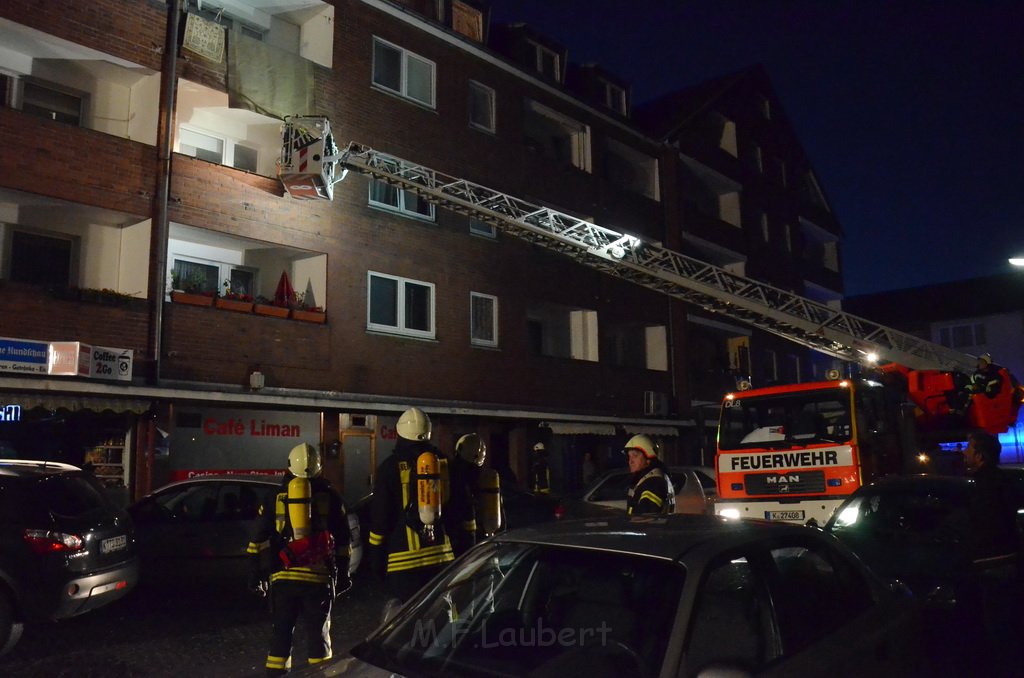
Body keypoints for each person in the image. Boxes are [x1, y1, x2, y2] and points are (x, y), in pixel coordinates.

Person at [246, 442, 351, 676]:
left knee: (281, 635)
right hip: (319, 578)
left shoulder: (274, 497)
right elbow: (344, 540)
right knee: (319, 637)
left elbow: (257, 539)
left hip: (283, 578)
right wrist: (343, 575)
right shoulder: (331, 497)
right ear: (318, 467)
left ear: (289, 466)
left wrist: (256, 576)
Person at [368, 407, 472, 600]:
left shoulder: (389, 468)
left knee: (408, 623)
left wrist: (376, 561)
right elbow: (463, 508)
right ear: (428, 432)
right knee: (442, 617)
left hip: (403, 563)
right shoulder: (446, 463)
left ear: (399, 432)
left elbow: (380, 520)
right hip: (442, 558)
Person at [960, 430, 1021, 676]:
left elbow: (987, 527)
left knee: (999, 628)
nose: (964, 452)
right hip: (1005, 562)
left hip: (993, 567)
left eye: (969, 448)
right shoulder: (998, 481)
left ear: (980, 456)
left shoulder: (984, 487)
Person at [624, 434, 675, 515]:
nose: (631, 461)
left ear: (648, 459)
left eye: (635, 456)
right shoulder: (645, 479)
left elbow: (646, 519)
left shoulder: (653, 483)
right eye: (629, 457)